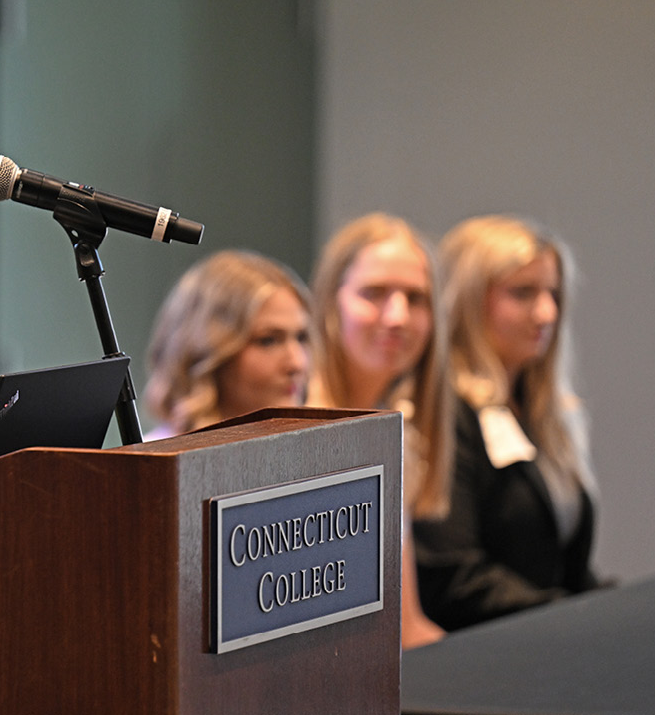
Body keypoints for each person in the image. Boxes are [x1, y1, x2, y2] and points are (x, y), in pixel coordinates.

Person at [412, 215, 600, 631]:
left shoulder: (544, 414)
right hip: (479, 661)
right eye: (523, 293)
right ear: (467, 300)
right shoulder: (444, 413)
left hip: (544, 643)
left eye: (553, 293)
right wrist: (574, 617)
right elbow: (452, 576)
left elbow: (566, 567)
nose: (547, 312)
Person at [306, 213, 452, 649]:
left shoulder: (395, 430)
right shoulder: (296, 431)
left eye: (416, 298)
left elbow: (407, 626)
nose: (398, 317)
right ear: (331, 302)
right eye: (374, 294)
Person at [144, 250, 312, 439]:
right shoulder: (152, 464)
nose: (297, 363)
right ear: (210, 350)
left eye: (301, 338)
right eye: (268, 341)